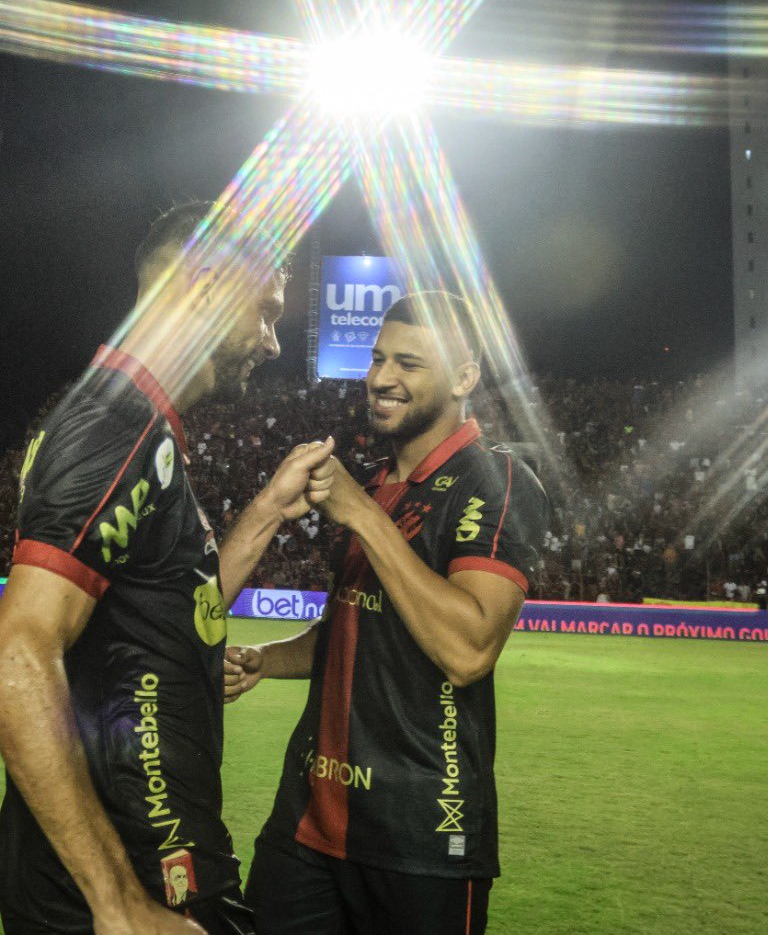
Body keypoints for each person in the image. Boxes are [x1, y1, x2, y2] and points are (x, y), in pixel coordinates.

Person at [0, 202, 334, 934]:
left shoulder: (140, 423)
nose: (270, 343)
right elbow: (12, 657)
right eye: (264, 314)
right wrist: (119, 906)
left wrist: (264, 511)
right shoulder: (112, 425)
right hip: (137, 871)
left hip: (162, 853)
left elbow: (172, 605)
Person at [225, 291, 548, 934]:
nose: (380, 379)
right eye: (377, 360)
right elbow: (353, 626)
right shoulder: (369, 483)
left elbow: (468, 651)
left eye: (408, 363)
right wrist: (265, 659)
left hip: (423, 833)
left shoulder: (498, 482)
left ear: (464, 378)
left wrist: (364, 517)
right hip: (308, 821)